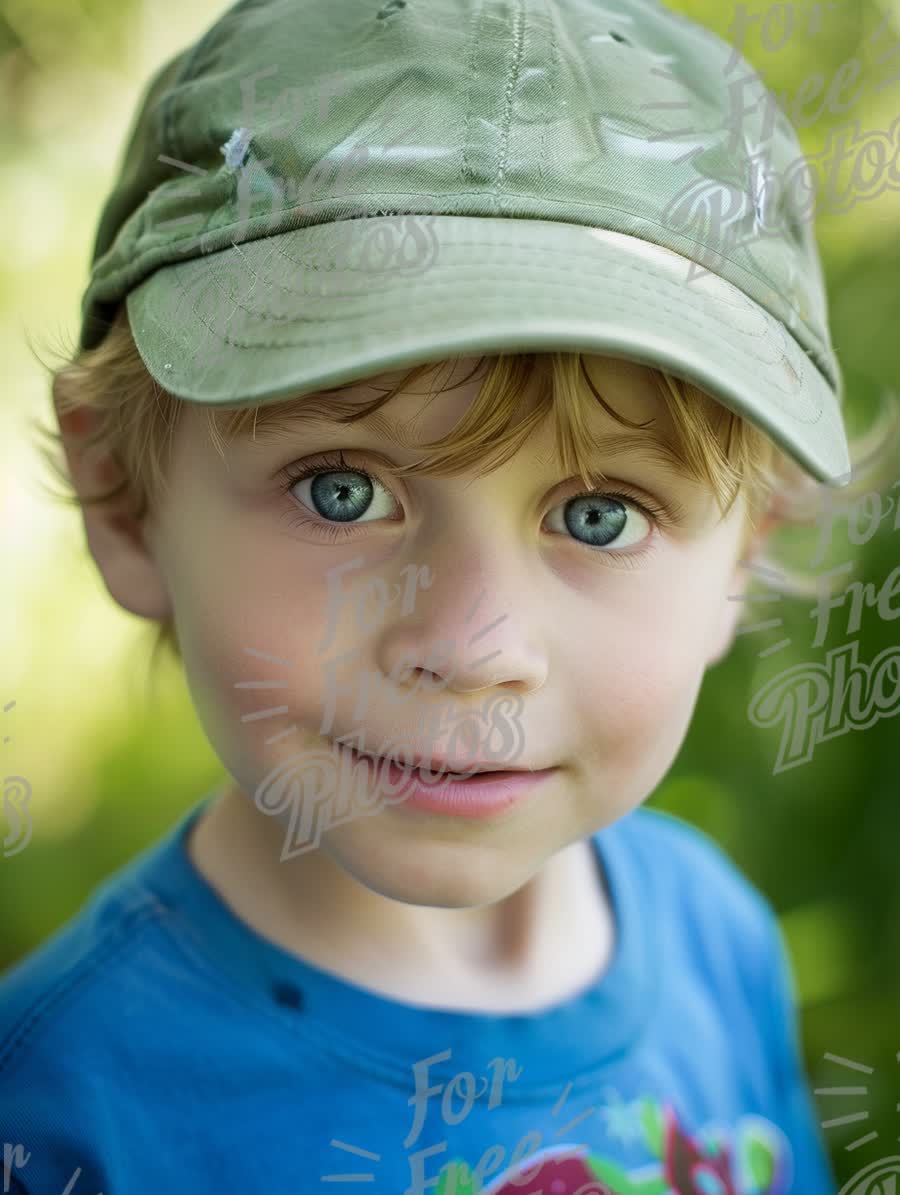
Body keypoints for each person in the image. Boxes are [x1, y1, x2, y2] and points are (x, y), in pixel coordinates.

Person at [1, 0, 893, 1190]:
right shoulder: (64, 1109)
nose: (472, 646)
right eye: (339, 491)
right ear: (126, 501)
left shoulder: (718, 942)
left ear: (742, 556)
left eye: (599, 516)